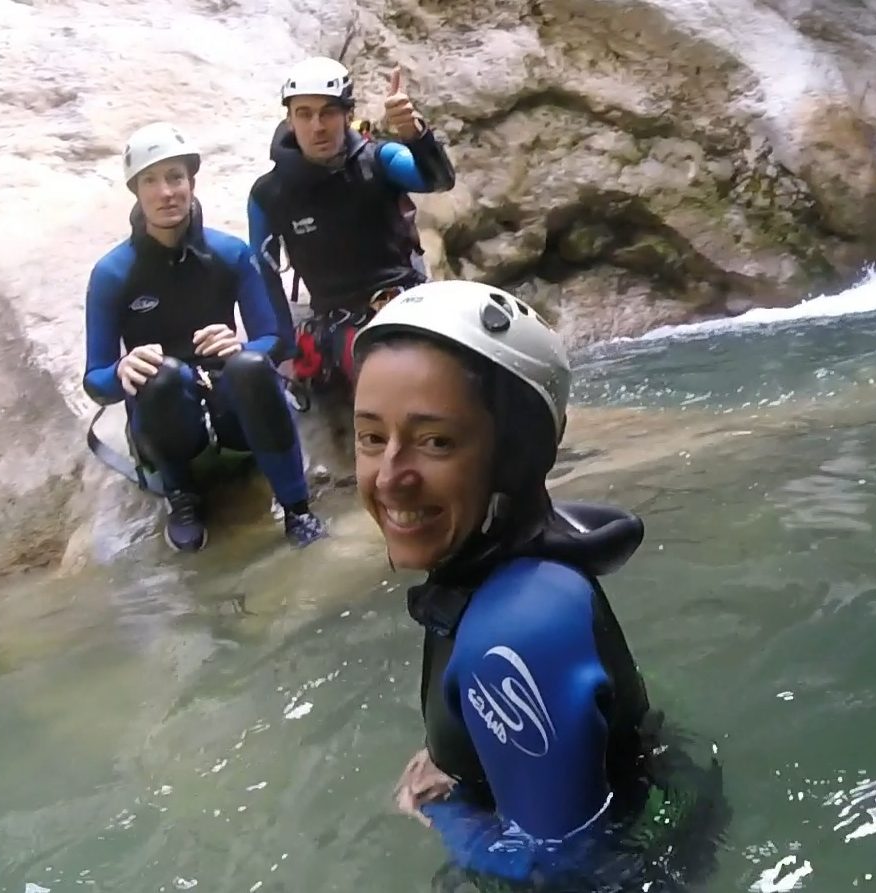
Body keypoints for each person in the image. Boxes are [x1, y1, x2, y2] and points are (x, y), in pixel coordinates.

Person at [350, 280, 726, 890]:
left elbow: (568, 868)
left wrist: (443, 810)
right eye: (372, 437)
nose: (390, 477)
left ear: (515, 457)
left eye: (435, 441)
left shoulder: (514, 633)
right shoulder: (510, 560)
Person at [82, 122, 328, 553]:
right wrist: (122, 370)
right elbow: (95, 382)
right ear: (136, 193)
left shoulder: (229, 254)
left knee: (250, 366)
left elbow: (273, 339)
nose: (166, 192)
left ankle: (297, 508)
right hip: (168, 414)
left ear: (192, 183)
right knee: (159, 376)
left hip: (230, 401)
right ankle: (182, 498)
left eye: (176, 177)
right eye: (151, 181)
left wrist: (242, 347)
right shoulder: (113, 274)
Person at [248, 56, 456, 398]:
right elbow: (264, 275)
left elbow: (438, 181)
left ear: (348, 115)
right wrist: (283, 348)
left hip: (407, 300)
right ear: (289, 119)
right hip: (338, 321)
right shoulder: (269, 194)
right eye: (304, 113)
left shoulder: (379, 160)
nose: (317, 126)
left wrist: (415, 135)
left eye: (328, 112)